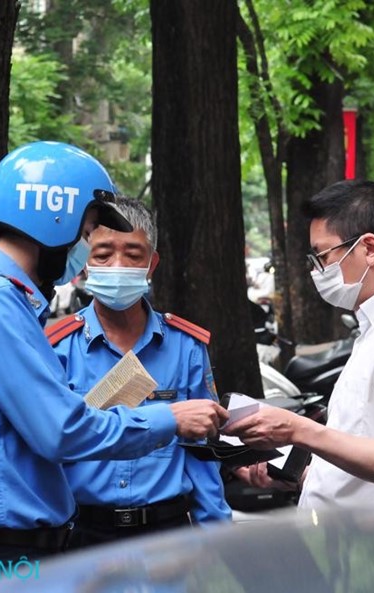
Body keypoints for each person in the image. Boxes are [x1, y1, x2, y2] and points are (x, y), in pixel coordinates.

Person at [0, 142, 227, 570]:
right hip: (9, 552)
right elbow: (61, 431)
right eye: (88, 232)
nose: (87, 248)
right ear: (55, 218)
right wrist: (171, 418)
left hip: (31, 548)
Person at [225, 180, 374, 508]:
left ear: (369, 249)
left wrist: (298, 429)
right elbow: (366, 448)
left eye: (322, 255)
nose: (317, 271)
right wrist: (303, 475)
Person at [46, 198, 231, 548]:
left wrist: (218, 544)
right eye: (103, 255)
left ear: (151, 264)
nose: (118, 265)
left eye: (133, 254)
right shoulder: (57, 349)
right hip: (83, 537)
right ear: (83, 262)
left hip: (168, 535)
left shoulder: (185, 346)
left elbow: (202, 453)